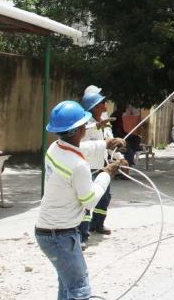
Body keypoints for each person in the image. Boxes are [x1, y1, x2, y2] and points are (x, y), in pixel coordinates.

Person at [36, 100, 124, 300]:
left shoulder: (54, 148)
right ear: (78, 130)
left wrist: (106, 143)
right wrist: (106, 173)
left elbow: (79, 149)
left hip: (47, 232)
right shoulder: (78, 166)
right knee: (79, 288)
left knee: (66, 285)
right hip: (60, 236)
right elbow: (90, 201)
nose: (87, 126)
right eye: (84, 124)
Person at [78, 86, 121, 242]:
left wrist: (119, 156)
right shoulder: (84, 122)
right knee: (87, 200)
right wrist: (97, 125)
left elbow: (109, 142)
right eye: (102, 102)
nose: (105, 105)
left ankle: (97, 224)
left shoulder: (105, 122)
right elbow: (82, 134)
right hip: (87, 167)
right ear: (95, 106)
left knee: (104, 197)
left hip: (103, 165)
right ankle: (81, 234)